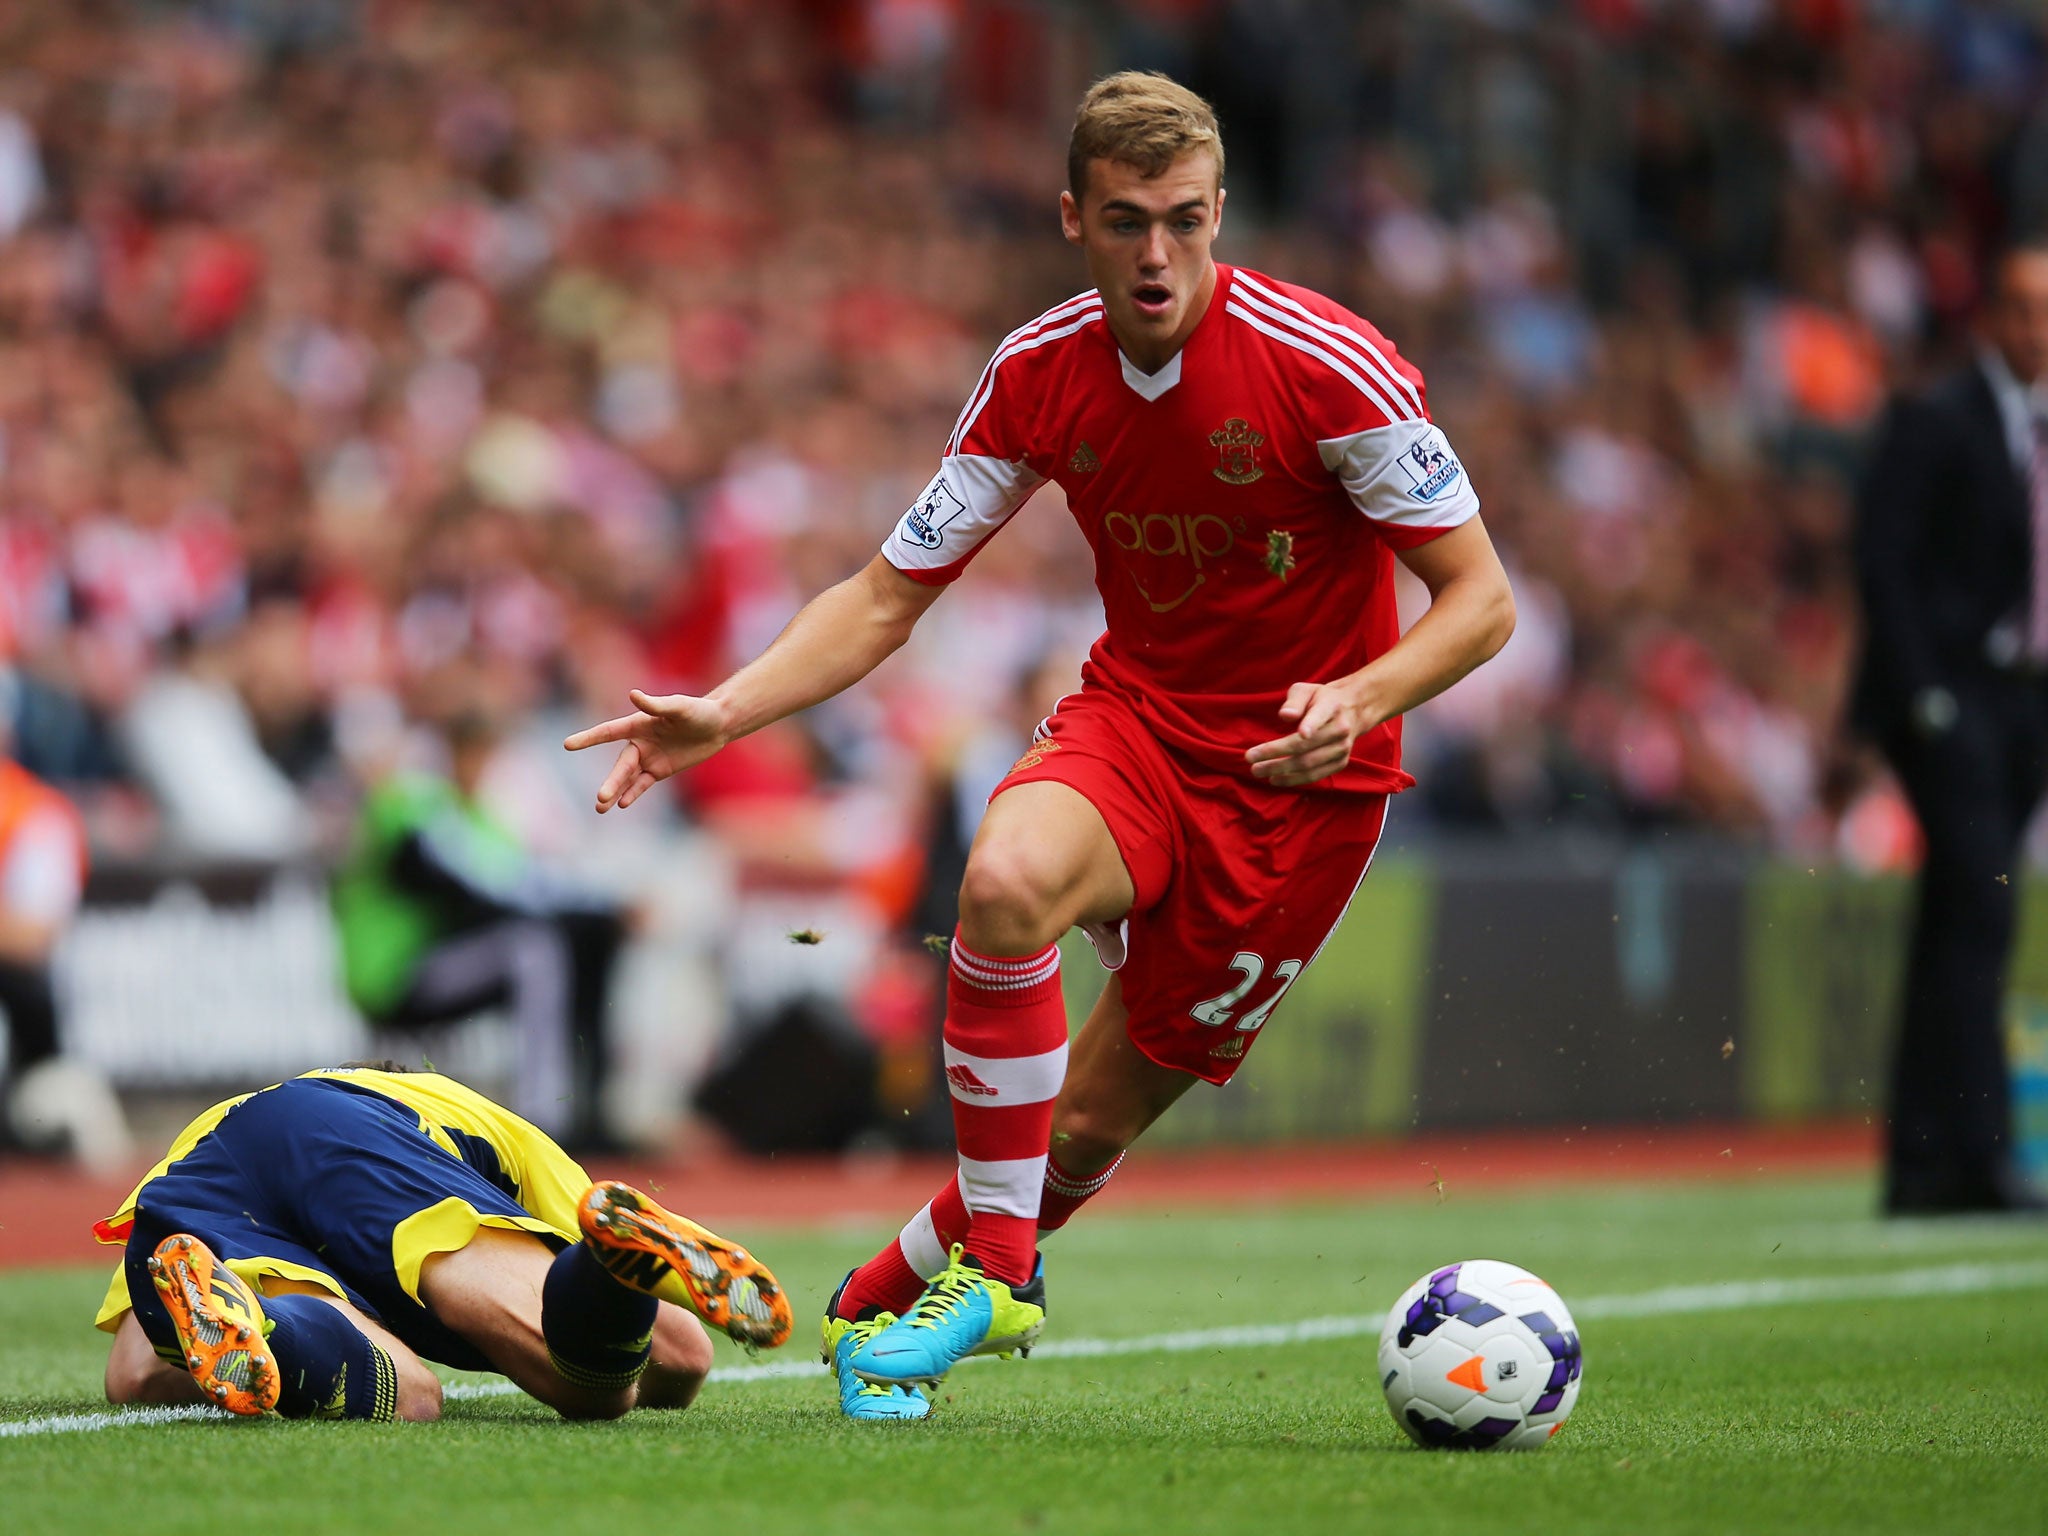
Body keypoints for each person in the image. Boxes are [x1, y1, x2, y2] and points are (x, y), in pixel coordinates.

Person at [566, 72, 1515, 1419]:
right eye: (1126, 222)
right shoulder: (1038, 371)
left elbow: (1481, 603)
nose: (1157, 255)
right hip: (1138, 721)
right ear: (1071, 216)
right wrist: (727, 708)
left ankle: (888, 1289)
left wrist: (1365, 693)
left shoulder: (1326, 365)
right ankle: (1001, 1277)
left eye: (1186, 222)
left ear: (1220, 213)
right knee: (1002, 881)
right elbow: (889, 594)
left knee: (1074, 1131)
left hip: (1306, 789)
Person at [94, 1063, 792, 1421]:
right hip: (341, 1136)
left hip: (193, 1186)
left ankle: (270, 1326)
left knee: (406, 1395)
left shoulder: (191, 1145)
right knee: (593, 1388)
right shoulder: (441, 1105)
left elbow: (131, 1373)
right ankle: (612, 1276)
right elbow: (684, 1352)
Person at [1850, 235, 2048, 1216]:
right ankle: (1978, 1159)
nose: (2036, 328)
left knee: (1960, 919)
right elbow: (1879, 561)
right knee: (1980, 909)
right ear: (1990, 318)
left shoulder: (2037, 426)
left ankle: (1922, 1168)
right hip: (1951, 695)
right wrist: (1923, 695)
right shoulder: (1936, 418)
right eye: (2021, 307)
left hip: (2024, 699)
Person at [333, 713, 627, 1146]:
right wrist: (592, 906)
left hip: (436, 963)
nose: (480, 767)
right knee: (534, 951)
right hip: (391, 973)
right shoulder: (408, 805)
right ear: (450, 753)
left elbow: (521, 880)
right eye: (472, 754)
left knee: (572, 945)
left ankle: (588, 1104)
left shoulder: (480, 817)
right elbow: (482, 885)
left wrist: (603, 906)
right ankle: (544, 1123)